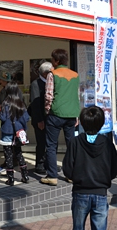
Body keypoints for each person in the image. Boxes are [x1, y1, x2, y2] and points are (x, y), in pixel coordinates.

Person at [62, 106, 117, 230]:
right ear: (102, 123)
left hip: (80, 192)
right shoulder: (108, 144)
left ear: (81, 122)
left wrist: (76, 177)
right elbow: (115, 169)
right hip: (101, 193)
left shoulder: (75, 142)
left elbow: (67, 168)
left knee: (78, 227)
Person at [41, 49, 80, 186]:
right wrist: (76, 115)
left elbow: (48, 95)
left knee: (51, 145)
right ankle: (71, 174)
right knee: (71, 145)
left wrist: (48, 111)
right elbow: (77, 95)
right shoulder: (75, 75)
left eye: (53, 59)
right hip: (72, 114)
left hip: (56, 113)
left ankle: (52, 176)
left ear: (56, 61)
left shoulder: (53, 74)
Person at [0, 82, 30, 185]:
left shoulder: (5, 104)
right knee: (19, 153)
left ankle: (10, 179)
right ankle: (25, 176)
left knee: (8, 156)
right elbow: (27, 118)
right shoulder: (21, 104)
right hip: (18, 133)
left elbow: (2, 117)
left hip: (7, 132)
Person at [28, 61, 53, 175]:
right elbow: (35, 104)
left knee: (50, 143)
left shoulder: (51, 82)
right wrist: (39, 120)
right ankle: (40, 164)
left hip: (50, 119)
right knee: (41, 142)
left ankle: (49, 164)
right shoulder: (35, 84)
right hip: (40, 119)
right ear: (45, 73)